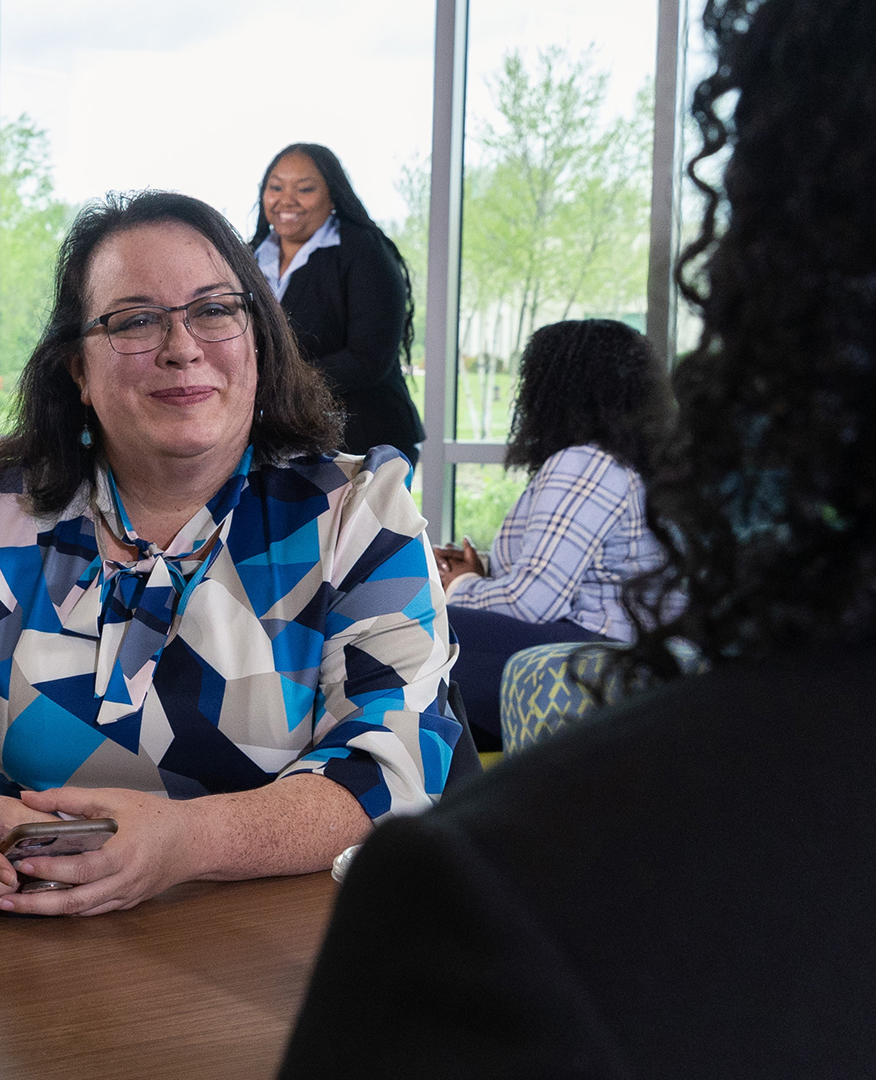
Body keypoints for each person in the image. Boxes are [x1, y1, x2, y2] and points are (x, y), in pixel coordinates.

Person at [280, 0, 876, 1074]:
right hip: (595, 658)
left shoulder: (495, 903)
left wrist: (448, 594)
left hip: (555, 663)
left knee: (410, 649)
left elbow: (536, 599)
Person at [0, 190, 462, 918]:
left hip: (273, 966)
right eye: (134, 320)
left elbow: (395, 767)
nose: (182, 347)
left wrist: (190, 840)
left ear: (258, 336)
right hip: (19, 951)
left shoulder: (357, 510)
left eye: (215, 310)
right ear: (77, 369)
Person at [434, 318, 669, 748]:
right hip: (630, 649)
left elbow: (531, 603)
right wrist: (482, 572)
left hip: (595, 651)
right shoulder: (630, 463)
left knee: (417, 629)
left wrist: (457, 585)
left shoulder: (585, 464)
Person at [250, 144, 425, 466]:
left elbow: (369, 358)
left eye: (304, 189)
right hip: (280, 439)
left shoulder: (363, 251)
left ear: (333, 196)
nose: (286, 200)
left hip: (363, 441)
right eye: (275, 187)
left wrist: (279, 380)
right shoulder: (250, 258)